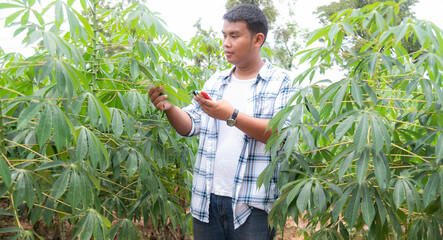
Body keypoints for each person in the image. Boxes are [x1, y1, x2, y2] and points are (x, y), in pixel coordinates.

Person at [149, 4, 297, 240]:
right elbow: (189, 125)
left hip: (253, 204)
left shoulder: (283, 82)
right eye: (224, 35)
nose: (226, 43)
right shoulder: (216, 81)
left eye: (234, 36)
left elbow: (281, 136)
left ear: (257, 39)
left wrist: (232, 116)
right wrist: (169, 109)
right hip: (206, 200)